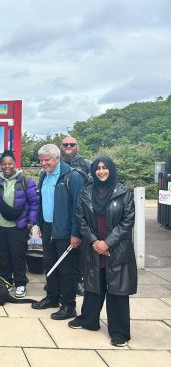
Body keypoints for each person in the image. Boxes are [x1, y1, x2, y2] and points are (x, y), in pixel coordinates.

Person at [69, 156, 137, 347]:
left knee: (117, 290)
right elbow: (80, 219)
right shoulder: (86, 191)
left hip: (116, 249)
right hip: (94, 247)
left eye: (104, 168)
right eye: (97, 168)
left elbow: (127, 222)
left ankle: (120, 332)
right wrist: (94, 242)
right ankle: (88, 320)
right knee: (93, 286)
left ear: (111, 169)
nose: (101, 171)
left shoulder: (123, 192)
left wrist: (107, 243)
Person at [32, 144, 85, 320]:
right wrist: (40, 223)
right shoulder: (44, 175)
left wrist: (75, 233)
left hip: (65, 231)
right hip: (48, 228)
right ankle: (52, 298)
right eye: (41, 160)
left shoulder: (72, 177)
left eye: (46, 160)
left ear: (57, 158)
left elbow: (79, 207)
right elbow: (42, 200)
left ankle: (69, 305)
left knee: (66, 270)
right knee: (50, 264)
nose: (43, 163)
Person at [0, 150, 39, 298]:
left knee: (18, 256)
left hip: (18, 227)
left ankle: (20, 284)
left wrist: (30, 222)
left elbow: (34, 203)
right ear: (1, 165)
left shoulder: (26, 181)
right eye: (4, 164)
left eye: (10, 163)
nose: (7, 166)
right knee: (3, 256)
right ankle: (6, 281)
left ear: (14, 164)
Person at [60, 136, 91, 296]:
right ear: (60, 147)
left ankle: (78, 280)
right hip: (61, 213)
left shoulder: (87, 165)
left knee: (79, 250)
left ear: (77, 146)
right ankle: (60, 279)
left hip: (80, 212)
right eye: (66, 144)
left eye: (72, 144)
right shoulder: (57, 164)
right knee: (60, 249)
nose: (69, 146)